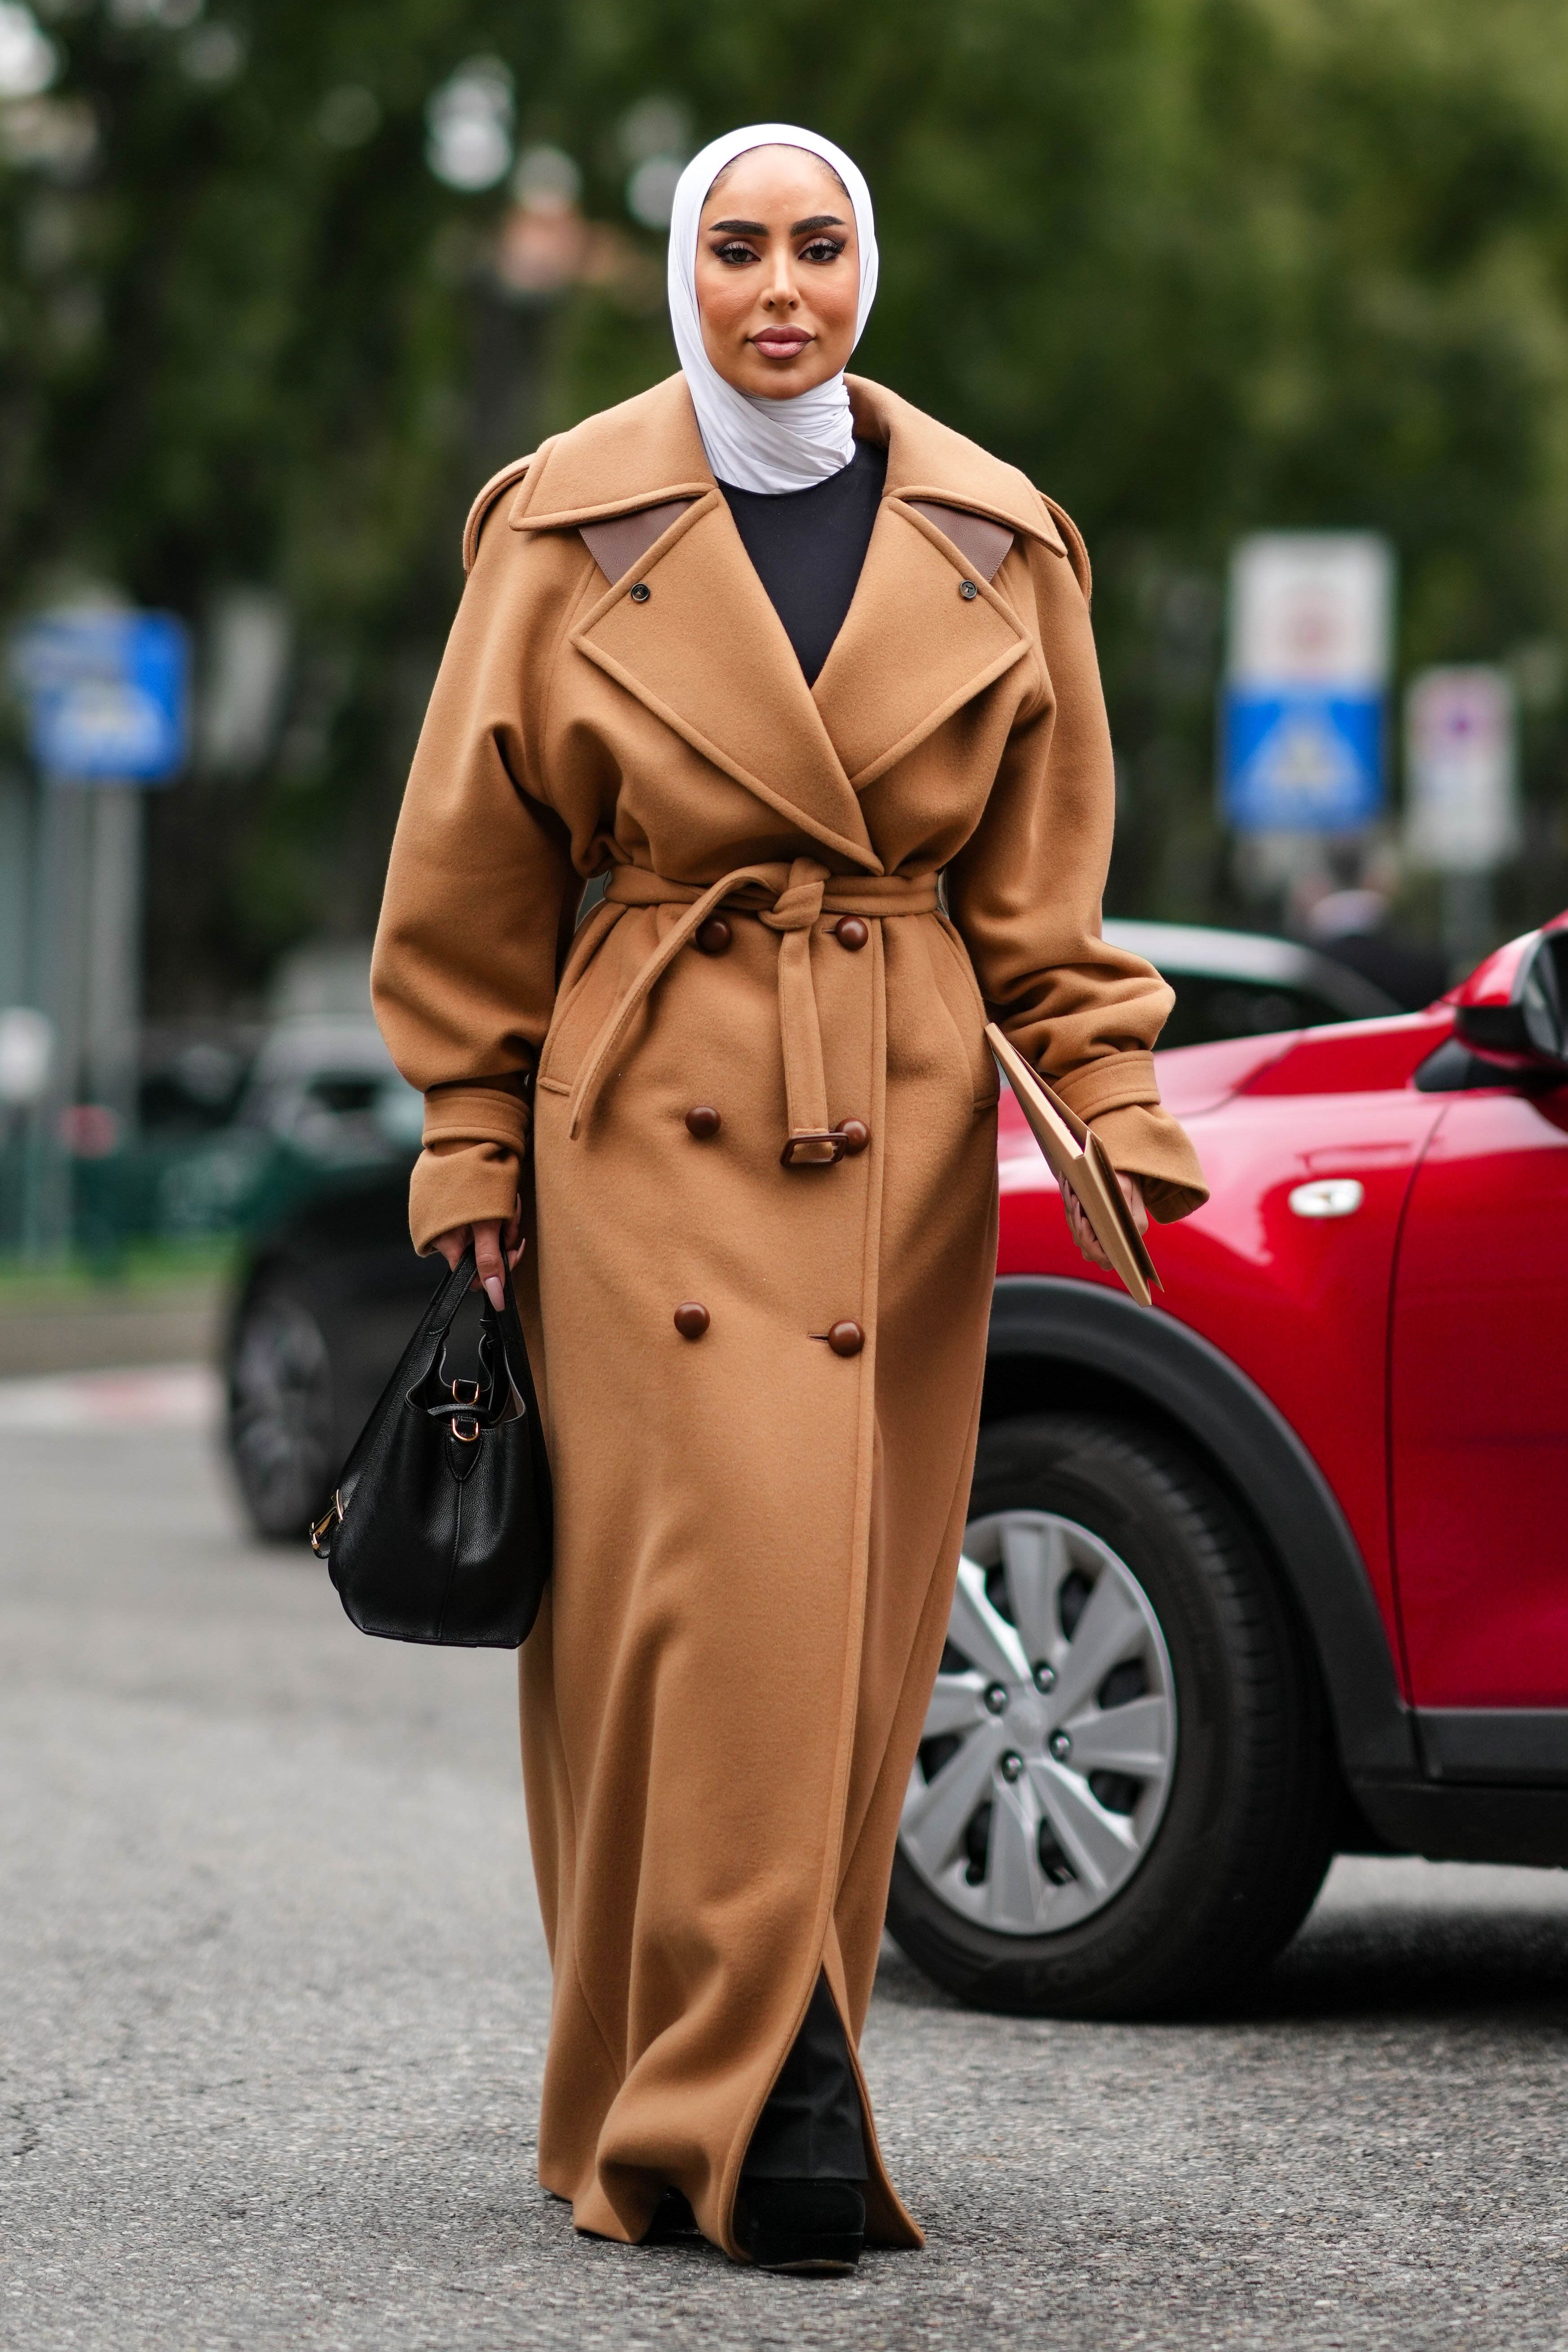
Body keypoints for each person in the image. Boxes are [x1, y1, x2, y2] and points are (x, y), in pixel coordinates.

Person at [370, 122, 1207, 2275]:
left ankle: (749, 2052)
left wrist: (1115, 1102)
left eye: (819, 246)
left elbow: (1048, 902)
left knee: (844, 1630)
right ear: (680, 270)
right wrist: (471, 1137)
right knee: (695, 1611)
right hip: (645, 1111)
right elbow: (468, 879)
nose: (779, 286)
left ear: (867, 268)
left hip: (897, 1124)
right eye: (737, 246)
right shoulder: (564, 521)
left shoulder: (1001, 541)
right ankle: (751, 2093)